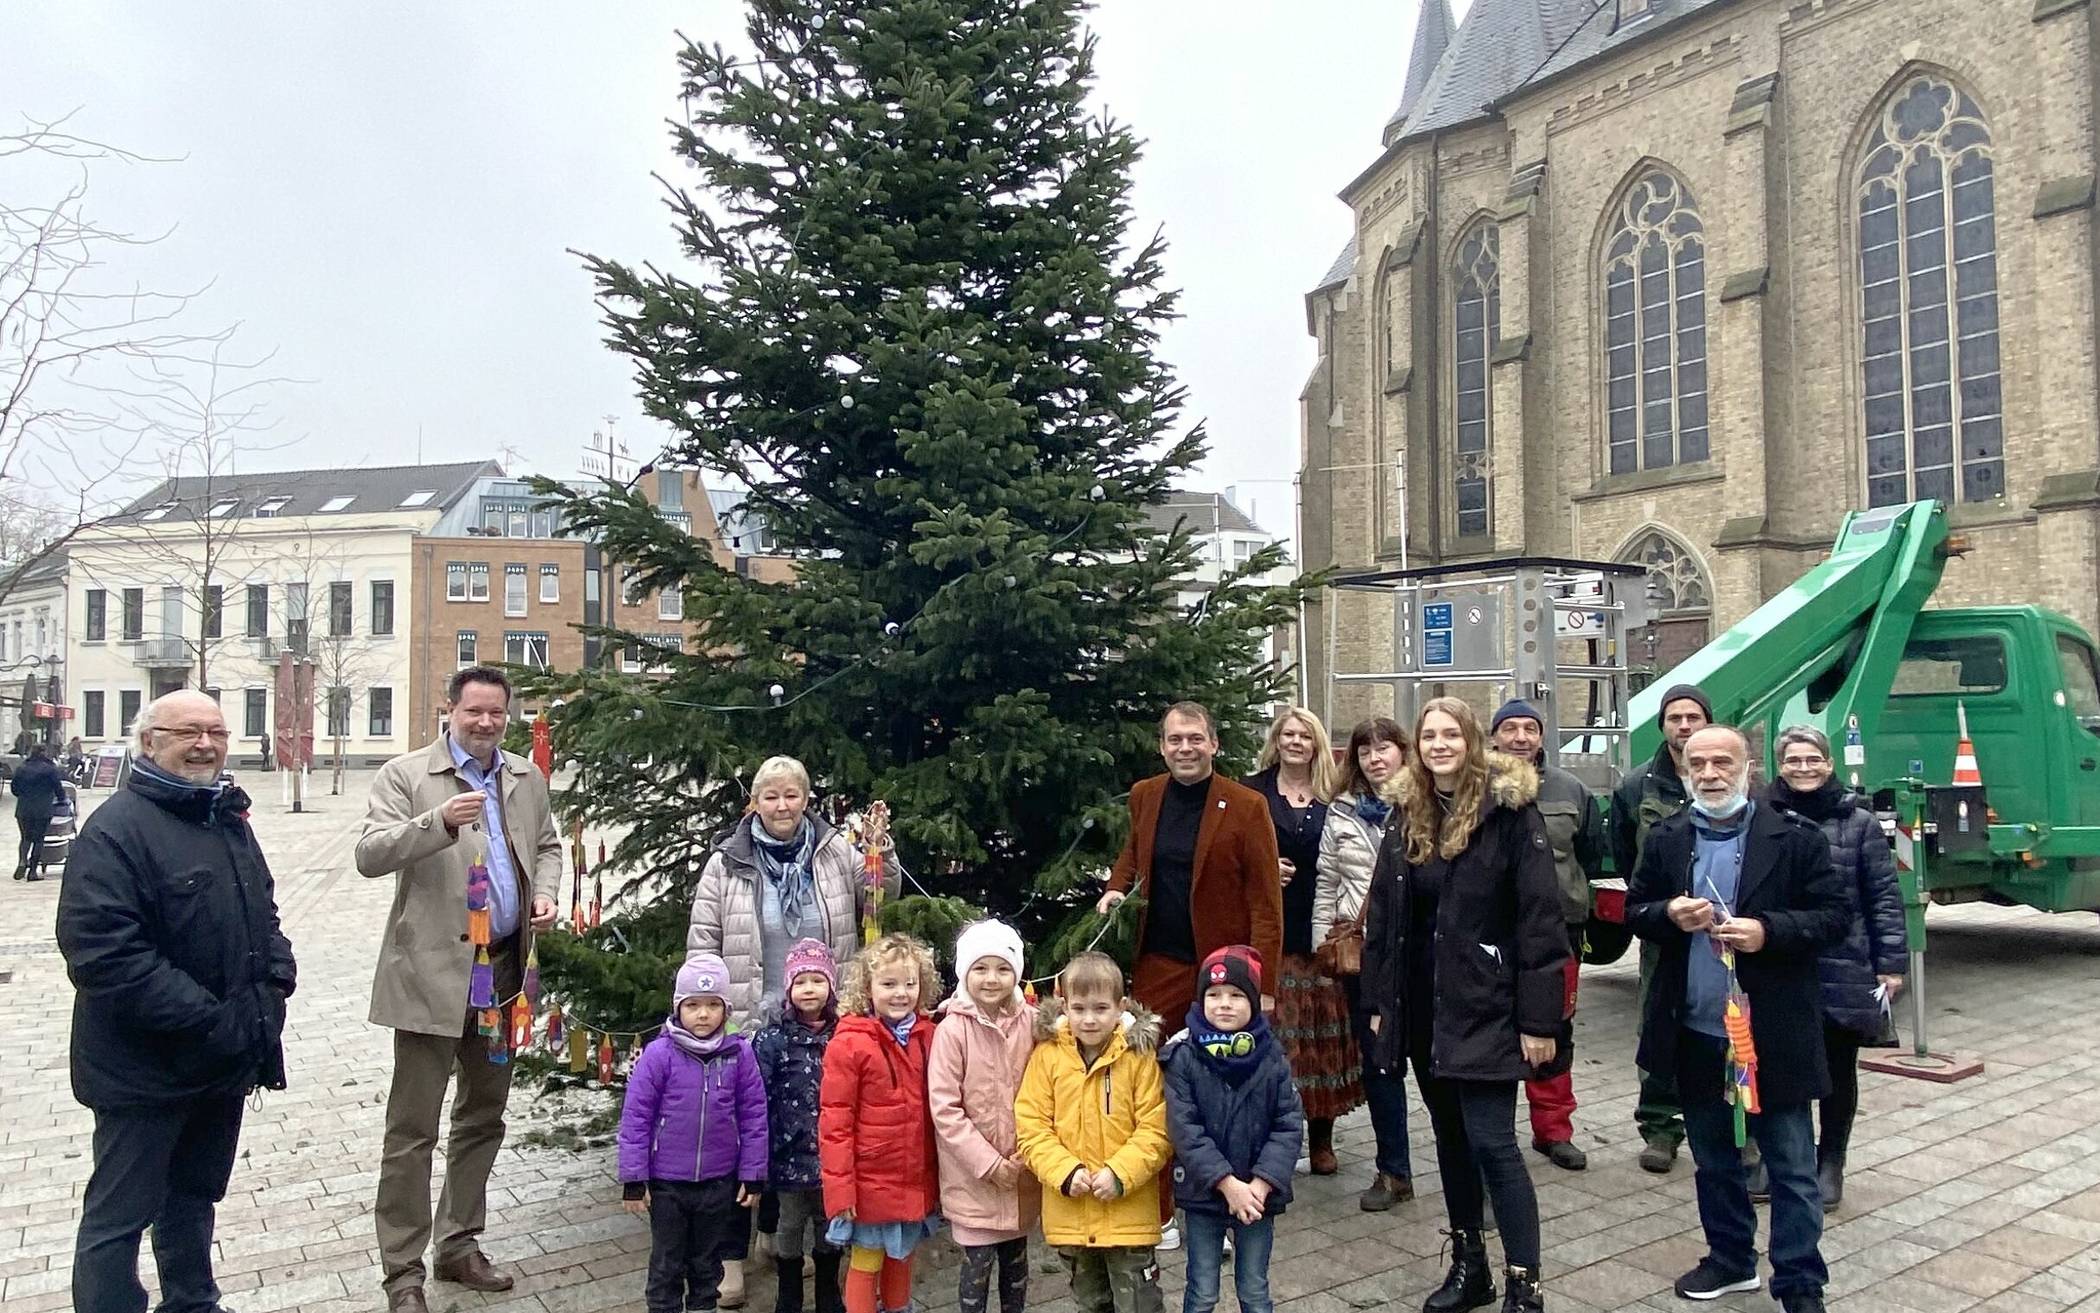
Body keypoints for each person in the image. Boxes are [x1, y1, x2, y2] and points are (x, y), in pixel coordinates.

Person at [57, 690, 296, 1313]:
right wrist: (210, 1020)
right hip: (142, 1069)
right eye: (188, 732)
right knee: (119, 1217)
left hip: (220, 1062)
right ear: (148, 742)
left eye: (216, 731)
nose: (206, 744)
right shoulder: (114, 830)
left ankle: (192, 1303)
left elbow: (260, 912)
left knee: (192, 1197)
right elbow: (105, 954)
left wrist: (275, 986)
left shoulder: (226, 819)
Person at [355, 665, 563, 1313]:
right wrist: (437, 822)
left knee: (482, 1116)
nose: (485, 722)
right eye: (474, 711)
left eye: (497, 713)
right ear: (449, 709)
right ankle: (402, 1272)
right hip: (430, 976)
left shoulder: (524, 777)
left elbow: (549, 844)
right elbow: (370, 853)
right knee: (412, 1130)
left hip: (501, 972)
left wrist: (547, 890)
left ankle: (459, 1243)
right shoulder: (408, 775)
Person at [1628, 725, 1849, 1313]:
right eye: (1696, 764)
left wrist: (1768, 931)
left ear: (1749, 768)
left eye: (1722, 762)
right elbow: (1634, 909)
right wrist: (1668, 912)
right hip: (1697, 1032)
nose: (1709, 774)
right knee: (1714, 1160)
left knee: (1792, 1168)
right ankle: (1730, 1260)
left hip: (1772, 1033)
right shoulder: (1669, 838)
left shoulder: (1793, 836)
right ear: (1684, 772)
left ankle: (1801, 1284)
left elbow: (1832, 917)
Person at [1359, 697, 1567, 1313]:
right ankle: (1471, 1267)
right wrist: (1378, 1006)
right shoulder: (1406, 813)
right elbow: (1384, 919)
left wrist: (1539, 1019)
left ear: (1472, 741)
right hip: (1424, 1009)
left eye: (1451, 734)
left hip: (1488, 1006)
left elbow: (1540, 921)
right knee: (1449, 1141)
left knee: (1492, 1144)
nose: (1439, 744)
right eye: (1429, 735)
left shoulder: (1510, 812)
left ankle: (1524, 1285)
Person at [1766, 725, 1907, 1212]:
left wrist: (1890, 962)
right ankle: (1788, 1156)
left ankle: (1832, 1160)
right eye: (1793, 760)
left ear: (1829, 763)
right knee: (1784, 1065)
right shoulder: (1765, 815)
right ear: (1779, 765)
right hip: (1784, 960)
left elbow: (1884, 898)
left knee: (1837, 1070)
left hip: (1844, 960)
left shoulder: (1858, 822)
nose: (1803, 768)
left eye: (1813, 760)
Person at [1016, 952, 1171, 1313]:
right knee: (1091, 1302)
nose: (1089, 1019)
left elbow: (1157, 1127)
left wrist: (1120, 1173)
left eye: (1100, 1008)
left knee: (1139, 1304)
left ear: (1120, 1008)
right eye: (1079, 1008)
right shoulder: (1048, 1056)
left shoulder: (1138, 1057)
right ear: (1064, 1006)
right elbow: (1031, 1124)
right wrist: (1064, 1172)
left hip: (1127, 1214)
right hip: (1073, 1212)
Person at [1241, 706, 1360, 1176]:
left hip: (1323, 931)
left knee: (1322, 1042)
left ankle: (1322, 1139)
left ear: (1316, 744)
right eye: (1288, 733)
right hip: (1272, 932)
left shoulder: (1335, 795)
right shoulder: (1252, 792)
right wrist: (1265, 870)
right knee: (1280, 1043)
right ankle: (1275, 1140)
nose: (1295, 742)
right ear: (1276, 740)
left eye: (1305, 735)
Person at [620, 953, 770, 1313]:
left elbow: (753, 1114)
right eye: (693, 1005)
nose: (703, 1014)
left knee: (707, 1264)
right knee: (667, 1264)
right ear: (678, 1008)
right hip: (668, 1183)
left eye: (712, 1005)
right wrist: (634, 1178)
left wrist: (753, 1174)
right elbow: (636, 1118)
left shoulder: (739, 1055)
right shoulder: (659, 1056)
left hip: (719, 1181)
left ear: (725, 1009)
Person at [1488, 700, 1601, 1172]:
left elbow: (1591, 855)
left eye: (1529, 728)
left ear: (1541, 736)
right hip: (1492, 931)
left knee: (1554, 1028)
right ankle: (1492, 1136)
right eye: (1509, 728)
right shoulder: (1477, 788)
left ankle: (1553, 1130)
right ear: (1494, 737)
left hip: (1557, 932)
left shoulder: (1570, 790)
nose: (1519, 737)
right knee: (1493, 1030)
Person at [1162, 946, 1303, 1313]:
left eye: (1236, 995)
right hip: (1204, 1192)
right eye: (1214, 995)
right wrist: (1226, 1183)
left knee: (1255, 1289)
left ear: (1254, 1002)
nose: (1224, 1004)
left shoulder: (1272, 1057)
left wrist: (1260, 1183)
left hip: (1258, 1197)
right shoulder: (1183, 1056)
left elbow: (1287, 1125)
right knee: (1202, 1290)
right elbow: (1184, 1128)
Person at [1610, 682, 1711, 1173]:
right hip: (1665, 931)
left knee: (1731, 1024)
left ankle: (1739, 1124)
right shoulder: (1637, 787)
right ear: (1663, 726)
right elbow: (1628, 858)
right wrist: (1659, 906)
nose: (1685, 725)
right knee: (1658, 1021)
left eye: (1693, 716)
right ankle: (1661, 1126)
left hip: (1725, 932)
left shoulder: (1730, 777)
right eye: (1675, 718)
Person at [1318, 715, 1414, 1210]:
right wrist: (1324, 943)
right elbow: (1327, 881)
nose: (1375, 758)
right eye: (1364, 751)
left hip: (1421, 954)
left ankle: (1472, 1174)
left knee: (1443, 1068)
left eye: (1385, 748)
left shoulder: (1425, 804)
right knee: (1380, 1065)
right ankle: (1393, 1170)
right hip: (1367, 958)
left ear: (1403, 751)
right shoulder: (1342, 813)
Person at [820, 933, 943, 1313]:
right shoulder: (850, 1043)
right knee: (867, 1259)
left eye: (910, 983)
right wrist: (841, 1191)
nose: (901, 993)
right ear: (868, 988)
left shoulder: (928, 1035)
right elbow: (835, 1121)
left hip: (911, 1175)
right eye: (888, 984)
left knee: (902, 1255)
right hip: (869, 1180)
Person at [930, 920, 1041, 1313]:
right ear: (964, 972)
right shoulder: (952, 1031)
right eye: (980, 968)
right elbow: (946, 1110)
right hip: (973, 1179)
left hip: (1022, 1174)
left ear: (1017, 973)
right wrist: (989, 1163)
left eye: (1002, 969)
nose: (991, 979)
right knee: (975, 1274)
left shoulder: (1034, 1023)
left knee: (1017, 1271)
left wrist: (1031, 1153)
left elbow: (1049, 1089)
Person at [752, 939, 846, 1313]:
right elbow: (759, 1096)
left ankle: (828, 1290)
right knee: (790, 1224)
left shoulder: (843, 1032)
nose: (810, 989)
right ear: (789, 988)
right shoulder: (773, 1037)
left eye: (818, 981)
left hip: (832, 1151)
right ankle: (788, 1290)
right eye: (801, 981)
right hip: (789, 1152)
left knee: (829, 1222)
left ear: (831, 986)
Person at [12, 740, 63, 880]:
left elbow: (14, 789)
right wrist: (61, 800)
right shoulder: (50, 769)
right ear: (44, 752)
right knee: (39, 839)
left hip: (23, 809)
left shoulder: (22, 768)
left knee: (25, 838)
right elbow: (59, 789)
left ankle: (22, 861)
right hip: (43, 809)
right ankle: (33, 872)